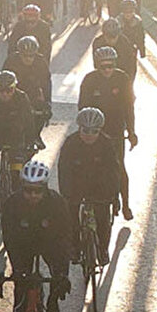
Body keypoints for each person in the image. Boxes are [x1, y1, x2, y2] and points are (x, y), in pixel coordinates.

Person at [0, 161, 73, 312]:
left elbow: (65, 237)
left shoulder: (57, 203)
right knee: (21, 292)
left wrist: (61, 273)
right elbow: (9, 238)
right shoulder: (12, 204)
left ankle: (52, 301)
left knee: (58, 277)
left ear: (45, 188)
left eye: (37, 191)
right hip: (22, 244)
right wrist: (18, 270)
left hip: (50, 243)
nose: (32, 195)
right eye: (28, 190)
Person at [78, 45, 137, 220]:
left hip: (116, 131)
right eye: (103, 66)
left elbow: (129, 108)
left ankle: (125, 204)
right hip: (95, 131)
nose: (107, 70)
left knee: (119, 167)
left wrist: (131, 132)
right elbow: (82, 107)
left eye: (110, 66)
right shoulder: (89, 80)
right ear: (97, 65)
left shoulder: (123, 79)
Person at [57, 107, 120, 263]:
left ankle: (103, 249)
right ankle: (74, 247)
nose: (89, 135)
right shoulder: (70, 143)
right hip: (76, 185)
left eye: (94, 131)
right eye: (85, 130)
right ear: (79, 128)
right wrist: (66, 194)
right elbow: (64, 170)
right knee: (70, 217)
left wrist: (113, 194)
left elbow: (113, 171)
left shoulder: (107, 144)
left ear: (100, 130)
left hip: (99, 185)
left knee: (103, 218)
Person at [0, 70, 37, 192]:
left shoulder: (22, 98)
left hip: (15, 135)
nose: (5, 94)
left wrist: (31, 142)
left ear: (15, 88)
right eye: (1, 91)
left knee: (16, 174)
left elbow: (29, 122)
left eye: (9, 91)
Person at [1, 34, 52, 133]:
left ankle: (36, 135)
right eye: (25, 55)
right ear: (19, 53)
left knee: (41, 116)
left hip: (33, 94)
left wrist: (47, 103)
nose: (28, 59)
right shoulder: (11, 61)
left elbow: (46, 83)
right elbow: (2, 80)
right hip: (14, 94)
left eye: (31, 55)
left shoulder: (41, 62)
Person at [92, 17, 137, 82]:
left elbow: (131, 66)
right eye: (108, 37)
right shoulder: (97, 43)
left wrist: (129, 82)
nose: (111, 40)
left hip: (122, 73)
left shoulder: (125, 44)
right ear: (104, 35)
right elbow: (96, 65)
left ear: (118, 35)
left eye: (114, 37)